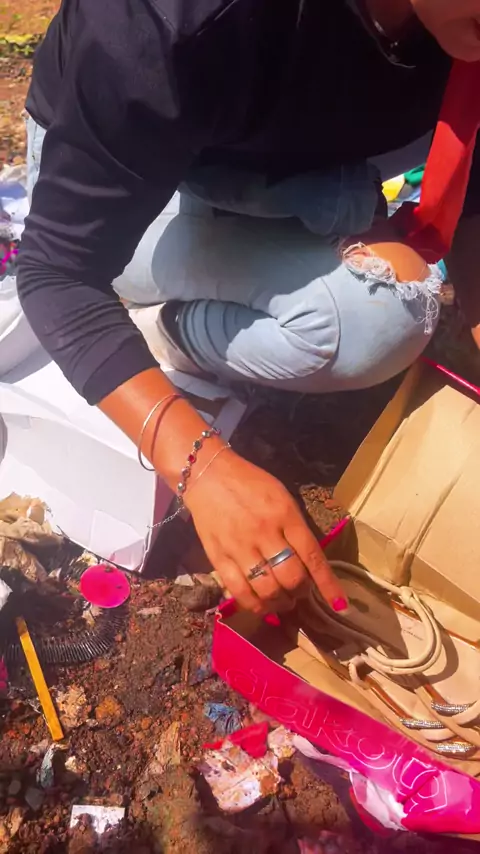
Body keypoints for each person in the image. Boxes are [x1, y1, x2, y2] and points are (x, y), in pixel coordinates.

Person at [17, 0, 480, 614]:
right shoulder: (169, 21)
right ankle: (153, 324)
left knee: (378, 309)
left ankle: (200, 300)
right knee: (388, 310)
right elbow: (57, 269)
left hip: (274, 170)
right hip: (134, 187)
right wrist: (201, 466)